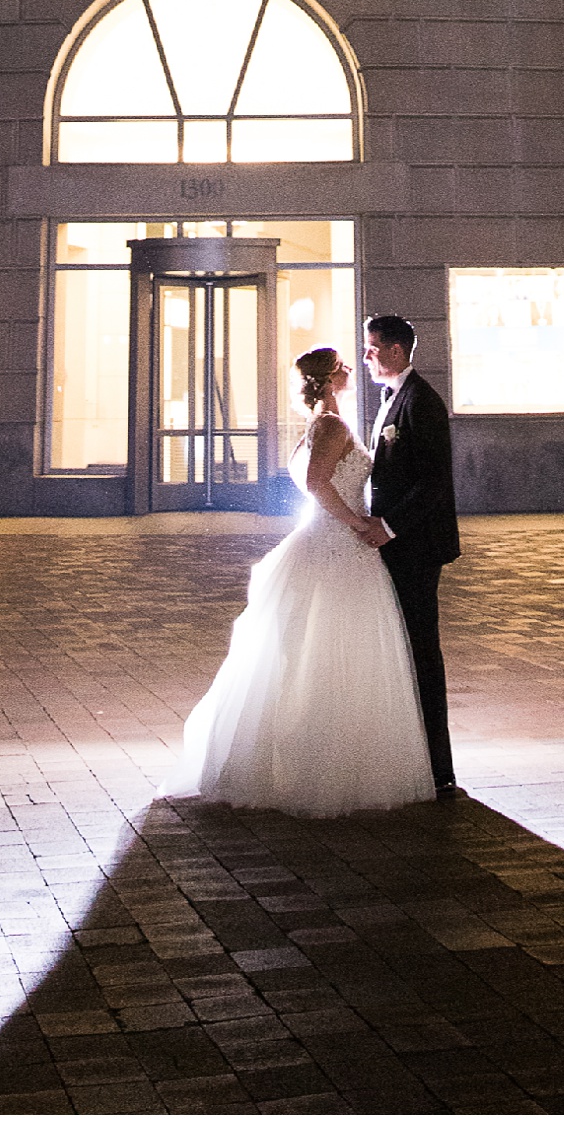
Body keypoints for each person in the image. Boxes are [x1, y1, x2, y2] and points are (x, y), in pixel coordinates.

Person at [164, 345, 435, 815]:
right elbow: (316, 482)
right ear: (329, 379)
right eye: (341, 366)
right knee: (334, 650)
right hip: (338, 545)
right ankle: (327, 761)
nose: (350, 368)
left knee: (308, 650)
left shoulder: (318, 424)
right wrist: (357, 523)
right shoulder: (330, 425)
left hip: (320, 543)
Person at [362, 313, 462, 798]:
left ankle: (439, 769)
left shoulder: (423, 403)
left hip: (416, 547)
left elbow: (435, 483)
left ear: (397, 350)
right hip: (394, 544)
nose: (366, 356)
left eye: (373, 347)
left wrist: (388, 525)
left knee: (422, 650)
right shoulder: (389, 398)